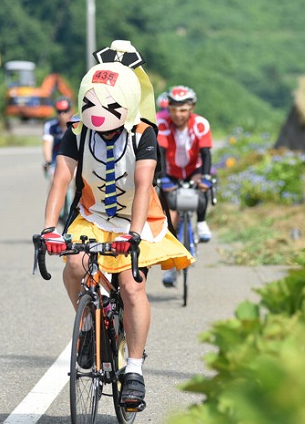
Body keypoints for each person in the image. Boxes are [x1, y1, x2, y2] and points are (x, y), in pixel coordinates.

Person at [40, 40, 193, 412]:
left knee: (131, 285)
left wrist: (133, 234)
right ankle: (89, 328)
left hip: (135, 218)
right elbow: (62, 179)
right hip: (92, 216)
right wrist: (49, 229)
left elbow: (144, 185)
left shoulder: (142, 133)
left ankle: (135, 369)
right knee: (75, 266)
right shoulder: (76, 131)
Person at [156, 85, 214, 287]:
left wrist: (205, 177)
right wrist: (162, 178)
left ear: (191, 108)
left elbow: (206, 153)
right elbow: (160, 153)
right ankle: (171, 268)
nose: (178, 115)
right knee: (170, 219)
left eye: (183, 110)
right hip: (170, 171)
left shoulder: (200, 124)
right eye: (173, 110)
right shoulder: (161, 122)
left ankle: (201, 223)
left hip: (193, 169)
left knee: (203, 189)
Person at [42, 96, 74, 176]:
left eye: (65, 111)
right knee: (54, 178)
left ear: (71, 111)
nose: (62, 114)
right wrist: (48, 162)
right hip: (56, 160)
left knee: (77, 179)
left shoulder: (78, 124)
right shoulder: (50, 126)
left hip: (75, 159)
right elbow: (47, 144)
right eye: (59, 111)